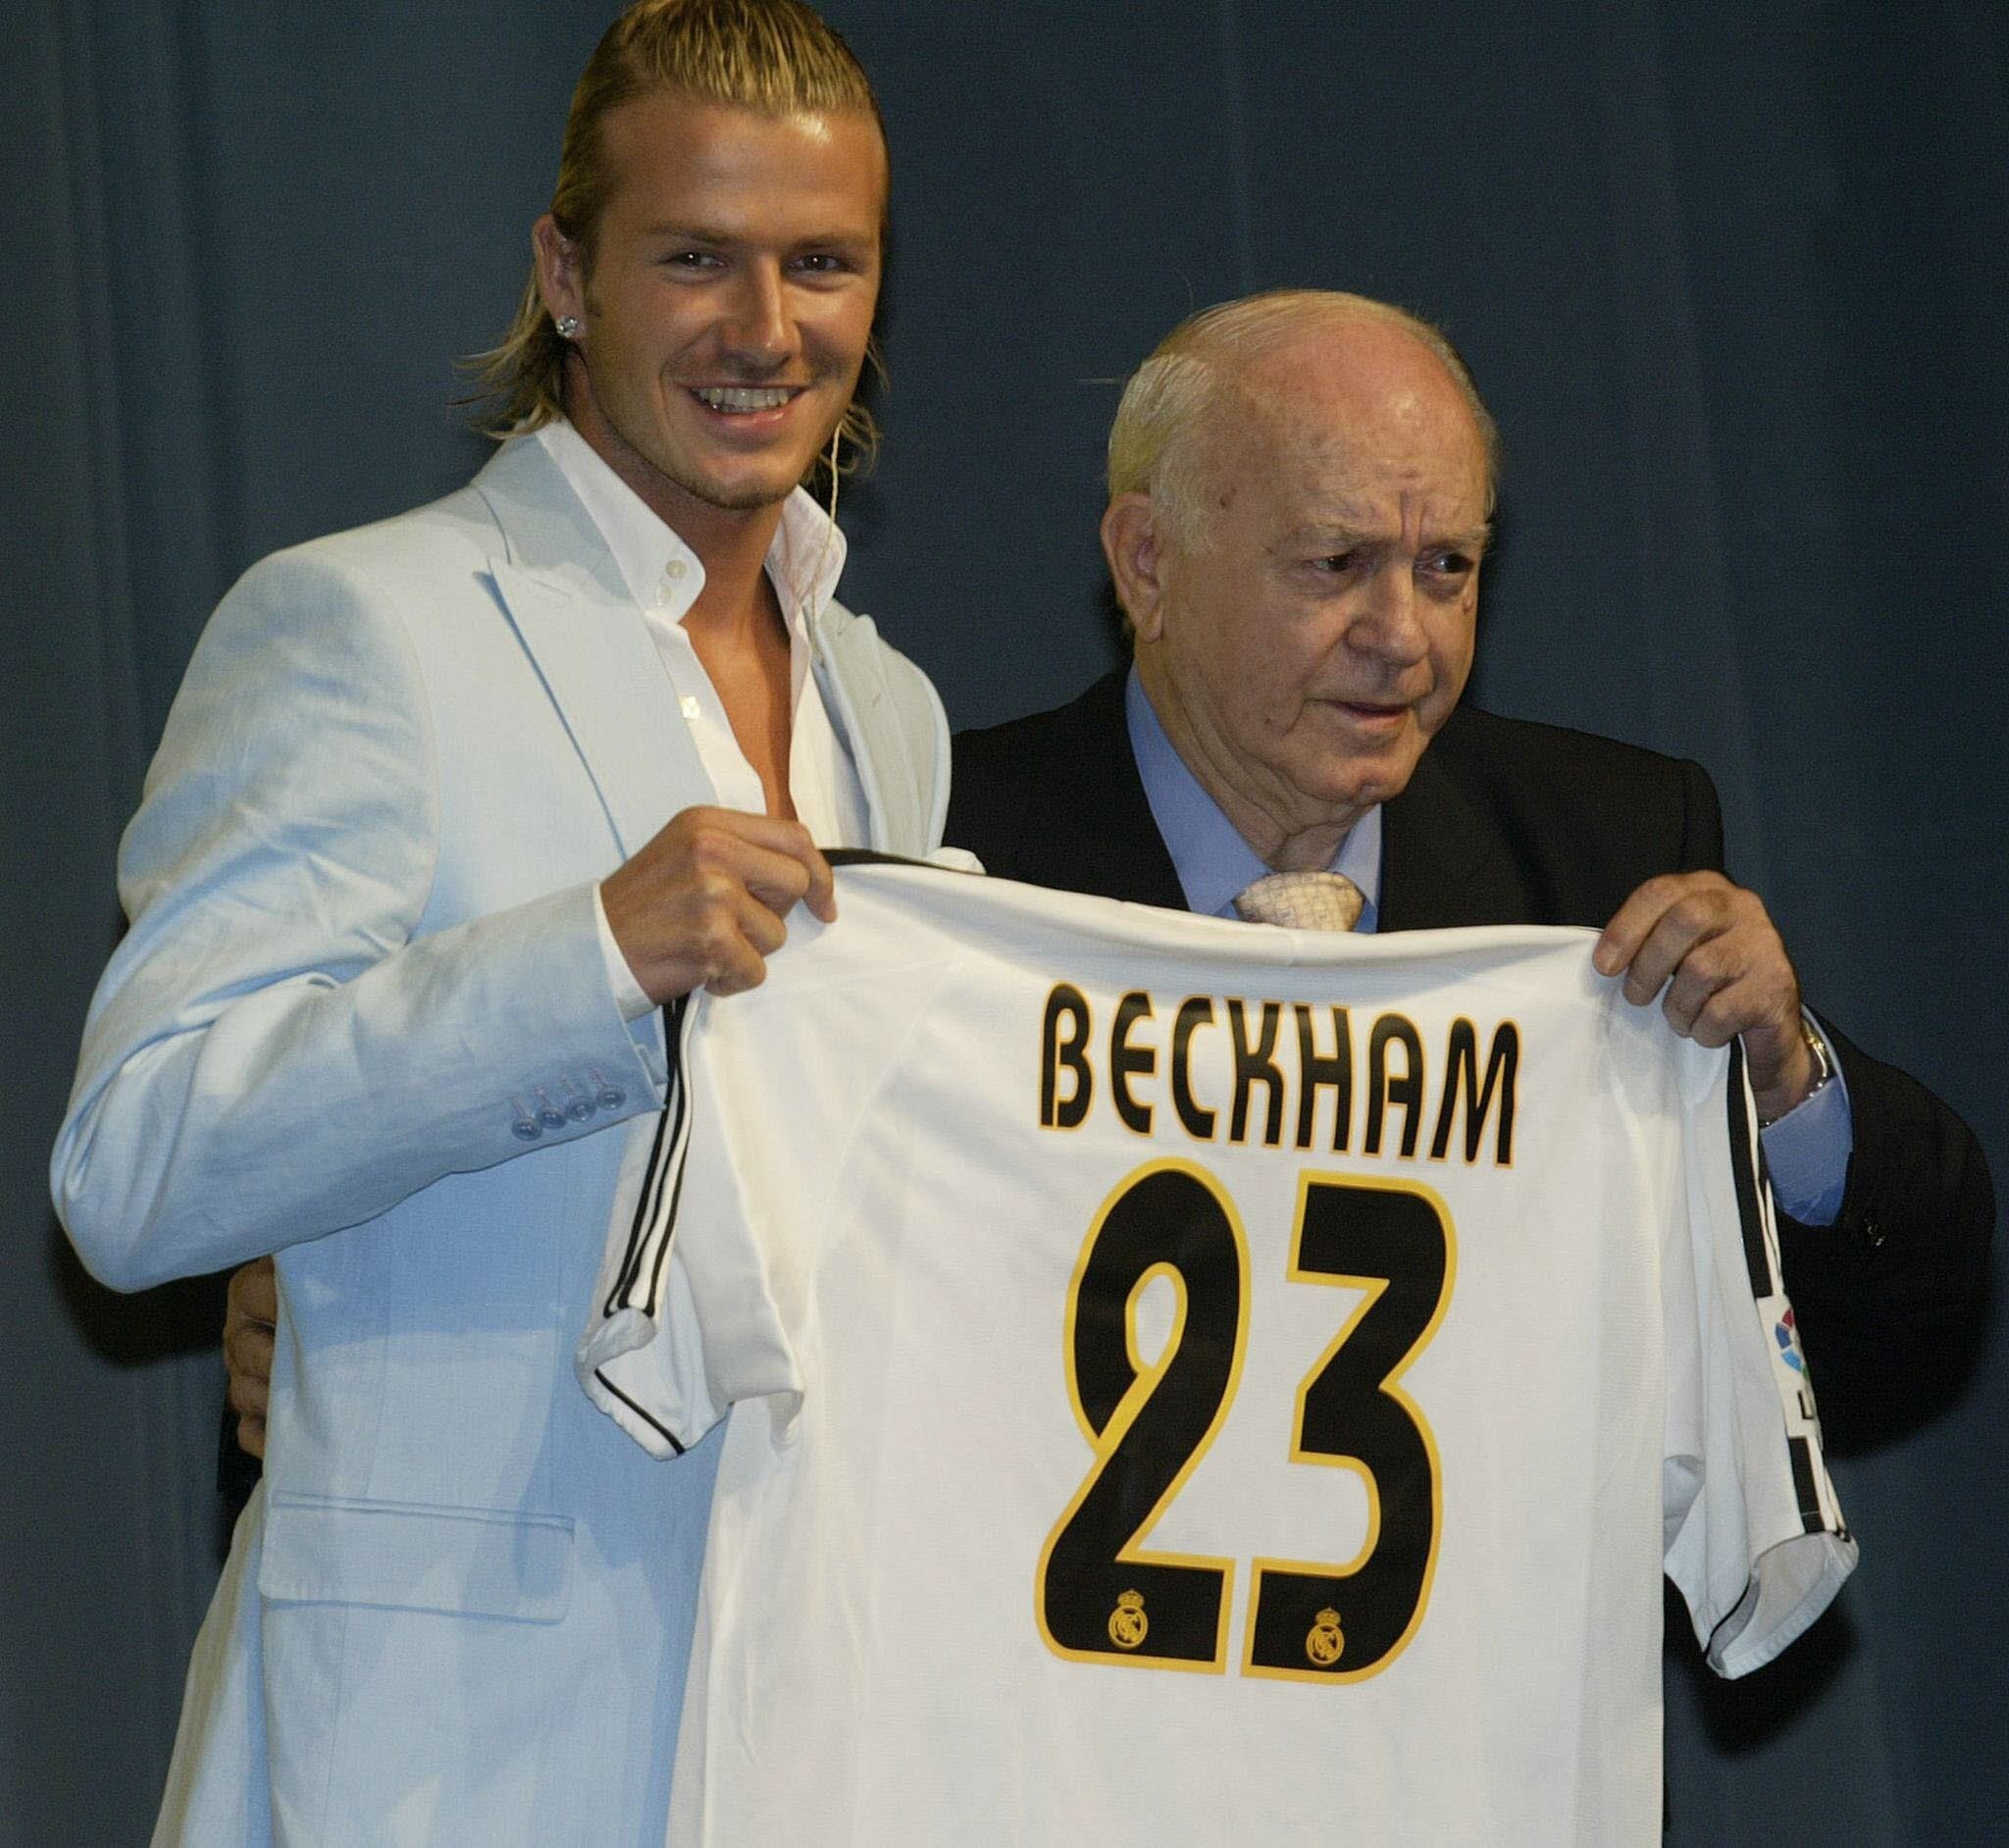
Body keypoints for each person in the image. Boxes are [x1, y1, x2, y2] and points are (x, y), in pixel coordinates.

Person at [51, 2, 948, 1842]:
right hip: (437, 1756)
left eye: (821, 263)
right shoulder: (361, 627)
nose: (765, 329)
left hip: (805, 1730)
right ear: (565, 273)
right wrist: (587, 957)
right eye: (693, 256)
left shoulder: (891, 705)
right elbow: (136, 1163)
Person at [946, 289, 1991, 1399]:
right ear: (1147, 564)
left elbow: (1900, 1323)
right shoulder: (945, 851)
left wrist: (1779, 1081)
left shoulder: (1604, 855)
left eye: (1445, 567)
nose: (1403, 638)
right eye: (1335, 563)